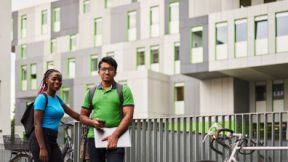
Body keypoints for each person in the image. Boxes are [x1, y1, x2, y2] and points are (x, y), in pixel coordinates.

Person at [80, 56, 134, 162]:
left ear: (115, 72)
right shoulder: (91, 92)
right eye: (103, 69)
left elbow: (129, 115)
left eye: (110, 69)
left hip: (117, 136)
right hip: (95, 137)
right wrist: (93, 122)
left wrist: (115, 135)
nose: (107, 72)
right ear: (99, 72)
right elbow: (82, 116)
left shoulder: (124, 90)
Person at [29, 69, 80, 162]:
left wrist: (91, 120)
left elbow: (75, 115)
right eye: (54, 79)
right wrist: (42, 148)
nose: (57, 81)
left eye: (59, 80)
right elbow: (37, 124)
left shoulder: (58, 99)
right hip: (41, 139)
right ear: (47, 80)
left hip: (52, 138)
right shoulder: (42, 98)